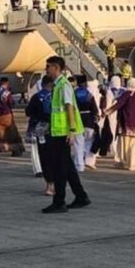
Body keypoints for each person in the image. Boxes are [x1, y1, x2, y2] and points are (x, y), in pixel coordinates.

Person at [41, 56, 90, 214]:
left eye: (48, 66)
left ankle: (59, 201)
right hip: (58, 131)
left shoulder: (63, 85)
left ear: (56, 68)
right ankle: (81, 196)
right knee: (67, 168)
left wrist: (71, 130)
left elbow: (69, 107)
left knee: (59, 169)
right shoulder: (58, 85)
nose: (46, 69)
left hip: (63, 133)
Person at [104, 78, 135, 171]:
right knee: (134, 145)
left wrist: (107, 112)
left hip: (125, 123)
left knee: (122, 144)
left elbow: (118, 105)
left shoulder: (126, 94)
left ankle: (120, 162)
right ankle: (133, 164)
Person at [25, 76, 55, 195]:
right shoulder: (56, 97)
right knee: (54, 157)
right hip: (55, 129)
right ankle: (55, 184)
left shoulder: (36, 97)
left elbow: (28, 112)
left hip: (40, 129)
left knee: (43, 156)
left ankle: (49, 184)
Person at [0, 77, 25, 157]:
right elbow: (11, 104)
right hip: (7, 115)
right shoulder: (7, 93)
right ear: (6, 83)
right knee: (12, 133)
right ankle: (16, 150)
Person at [73, 75, 99, 172]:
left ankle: (79, 165)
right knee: (89, 142)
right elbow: (95, 109)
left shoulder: (74, 94)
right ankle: (89, 161)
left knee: (78, 144)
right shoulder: (89, 95)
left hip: (77, 120)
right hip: (89, 121)